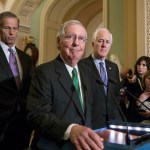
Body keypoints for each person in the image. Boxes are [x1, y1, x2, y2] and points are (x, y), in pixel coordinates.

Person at [27, 20, 104, 150]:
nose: (76, 43)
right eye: (70, 37)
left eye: (81, 39)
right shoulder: (44, 72)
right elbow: (37, 114)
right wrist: (71, 130)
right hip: (53, 146)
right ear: (58, 42)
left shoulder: (87, 72)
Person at [0, 11, 32, 149]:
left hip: (22, 123)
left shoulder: (26, 58)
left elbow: (28, 89)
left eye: (15, 28)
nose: (12, 32)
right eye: (7, 28)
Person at [80, 27, 122, 129]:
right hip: (92, 122)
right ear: (93, 44)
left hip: (112, 122)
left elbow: (116, 94)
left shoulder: (113, 67)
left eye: (107, 42)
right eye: (100, 41)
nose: (104, 45)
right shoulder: (81, 65)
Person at [123, 56, 150, 122]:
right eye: (139, 64)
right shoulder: (131, 79)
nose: (140, 67)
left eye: (144, 65)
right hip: (134, 113)